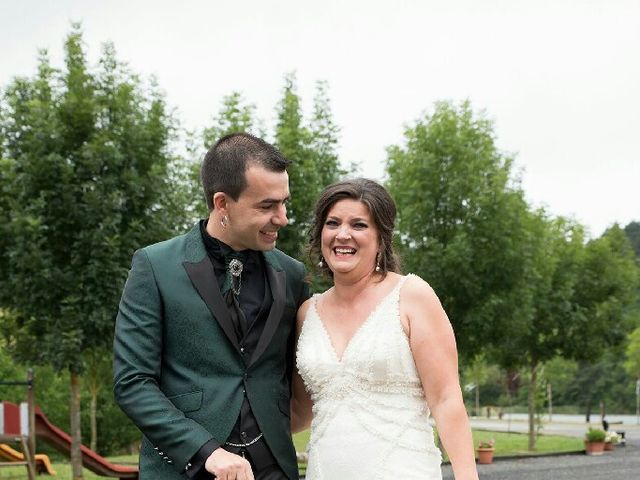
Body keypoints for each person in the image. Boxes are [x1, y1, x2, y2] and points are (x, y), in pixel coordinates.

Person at [114, 133, 310, 480]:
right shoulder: (155, 267)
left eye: (284, 203)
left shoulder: (293, 276)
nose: (282, 218)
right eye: (267, 206)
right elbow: (133, 382)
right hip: (184, 469)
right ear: (222, 203)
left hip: (274, 469)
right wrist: (206, 452)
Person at [291, 178, 479, 480]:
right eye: (333, 223)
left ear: (381, 237)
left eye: (359, 225)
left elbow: (445, 398)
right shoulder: (306, 313)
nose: (343, 234)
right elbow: (300, 410)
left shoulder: (411, 295)